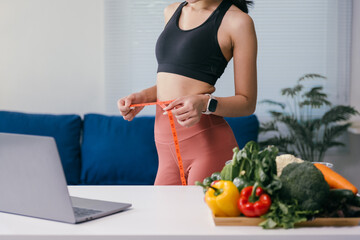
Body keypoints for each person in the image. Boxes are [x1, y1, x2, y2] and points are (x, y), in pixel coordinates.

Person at [118, 0, 257, 185]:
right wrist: (142, 96)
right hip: (166, 151)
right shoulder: (172, 11)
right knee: (162, 214)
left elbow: (247, 103)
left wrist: (204, 103)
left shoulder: (238, 22)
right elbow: (178, 82)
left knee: (199, 215)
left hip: (207, 146)